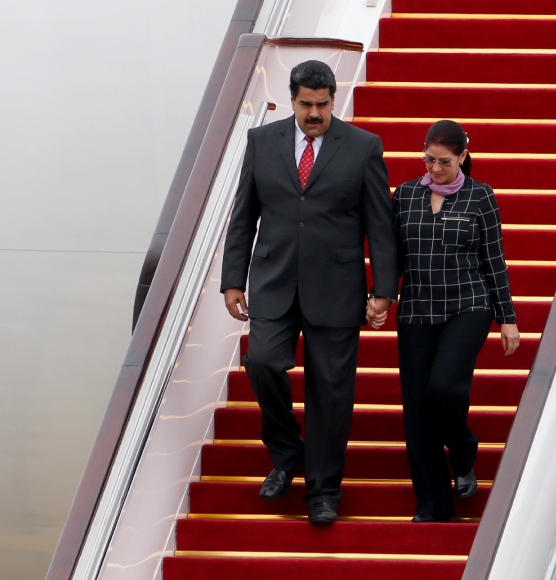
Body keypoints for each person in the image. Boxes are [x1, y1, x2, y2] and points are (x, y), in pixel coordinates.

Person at [220, 60, 399, 526]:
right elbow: (243, 216)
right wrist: (233, 279)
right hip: (273, 282)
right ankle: (286, 453)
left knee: (331, 393)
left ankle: (323, 491)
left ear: (333, 100)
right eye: (306, 105)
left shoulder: (363, 147)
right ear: (293, 99)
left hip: (336, 289)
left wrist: (383, 289)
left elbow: (380, 223)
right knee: (261, 363)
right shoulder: (262, 142)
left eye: (323, 104)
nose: (315, 113)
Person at [367, 119, 519, 523]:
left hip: (467, 305)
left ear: (463, 157)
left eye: (444, 163)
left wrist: (507, 317)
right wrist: (381, 296)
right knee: (416, 410)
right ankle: (432, 503)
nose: (434, 169)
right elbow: (393, 255)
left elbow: (494, 260)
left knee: (444, 388)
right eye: (429, 160)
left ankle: (463, 453)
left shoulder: (480, 196)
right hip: (417, 308)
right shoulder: (406, 197)